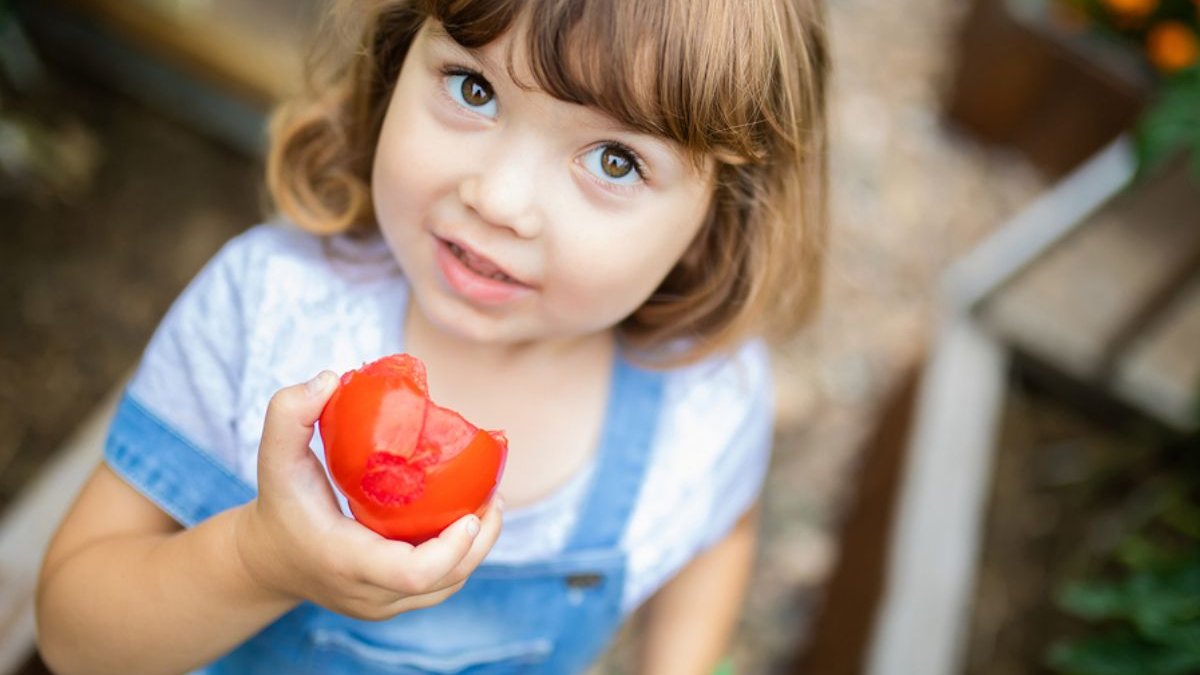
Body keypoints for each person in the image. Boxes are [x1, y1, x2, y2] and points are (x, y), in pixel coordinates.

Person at [34, 0, 829, 672]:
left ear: (718, 212)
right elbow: (73, 633)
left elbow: (718, 529)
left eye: (616, 160)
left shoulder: (703, 402)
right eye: (473, 86)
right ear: (396, 56)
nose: (499, 198)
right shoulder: (269, 311)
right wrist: (259, 558)